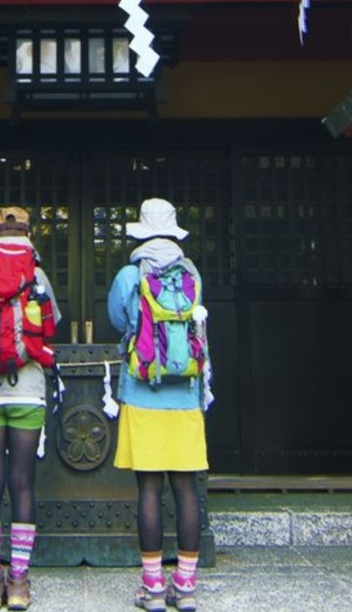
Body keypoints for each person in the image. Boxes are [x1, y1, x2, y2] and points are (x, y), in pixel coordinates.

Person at [108, 197, 211, 612]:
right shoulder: (192, 273)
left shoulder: (129, 275)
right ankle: (185, 587)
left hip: (142, 389)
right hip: (185, 395)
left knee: (148, 489)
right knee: (186, 489)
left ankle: (152, 588)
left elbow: (118, 319)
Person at [0, 206, 60, 611]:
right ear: (27, 233)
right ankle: (18, 582)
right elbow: (54, 320)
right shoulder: (37, 275)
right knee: (22, 482)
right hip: (28, 385)